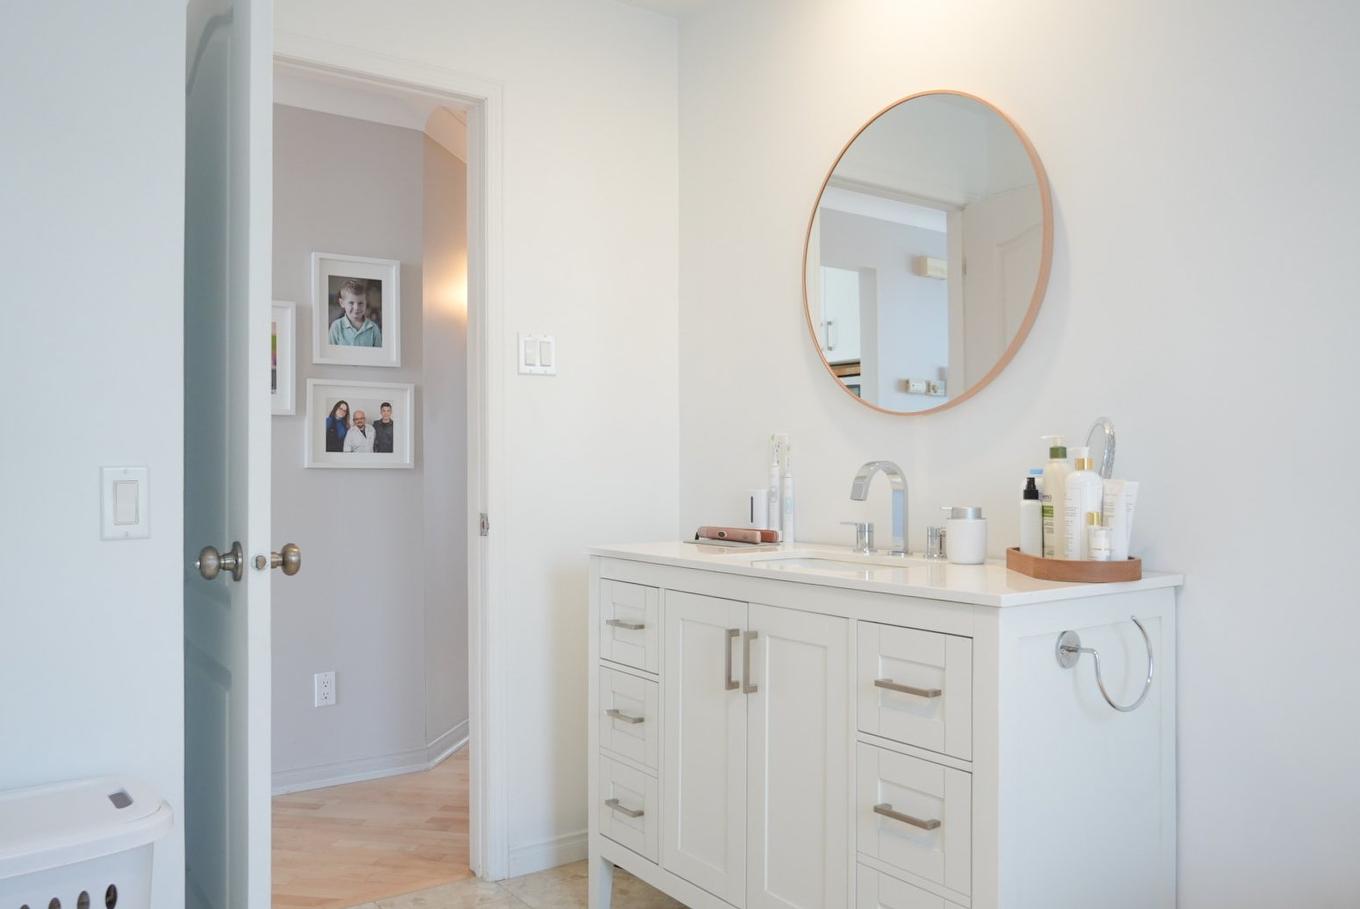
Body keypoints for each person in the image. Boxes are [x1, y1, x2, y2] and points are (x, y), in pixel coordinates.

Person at [327, 278, 383, 347]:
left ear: (366, 302)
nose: (356, 308)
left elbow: (379, 356)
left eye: (360, 303)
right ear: (342, 303)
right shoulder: (336, 327)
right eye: (351, 303)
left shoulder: (374, 329)